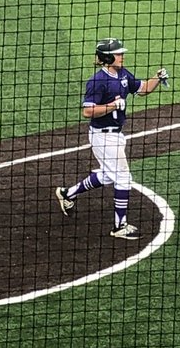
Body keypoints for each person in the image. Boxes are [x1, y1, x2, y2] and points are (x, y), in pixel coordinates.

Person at [54, 38, 169, 239]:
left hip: (116, 135)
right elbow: (88, 111)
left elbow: (142, 89)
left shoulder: (123, 74)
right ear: (107, 57)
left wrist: (157, 78)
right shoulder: (97, 81)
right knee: (123, 178)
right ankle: (119, 226)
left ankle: (67, 194)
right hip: (103, 137)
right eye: (118, 53)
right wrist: (112, 106)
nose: (122, 56)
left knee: (108, 175)